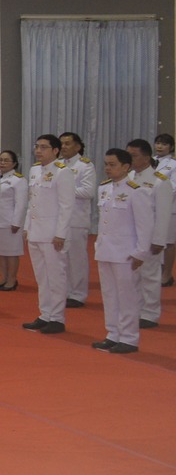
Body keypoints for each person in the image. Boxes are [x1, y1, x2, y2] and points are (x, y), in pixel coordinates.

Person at [93, 147, 153, 354]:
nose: (108, 168)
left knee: (127, 296)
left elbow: (145, 226)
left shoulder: (138, 191)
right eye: (106, 164)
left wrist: (140, 252)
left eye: (113, 165)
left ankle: (128, 338)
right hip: (105, 250)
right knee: (109, 296)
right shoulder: (104, 188)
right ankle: (113, 334)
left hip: (126, 253)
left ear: (126, 167)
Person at [21, 135, 70, 334]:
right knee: (42, 277)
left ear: (56, 150)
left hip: (52, 234)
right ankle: (45, 314)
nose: (39, 151)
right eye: (37, 147)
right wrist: (27, 227)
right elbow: (31, 201)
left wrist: (60, 234)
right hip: (35, 230)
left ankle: (57, 318)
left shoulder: (63, 172)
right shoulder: (34, 170)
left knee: (56, 277)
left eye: (44, 147)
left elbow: (66, 206)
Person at [127, 139, 167, 330]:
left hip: (151, 237)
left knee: (149, 276)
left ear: (147, 156)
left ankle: (150, 313)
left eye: (134, 155)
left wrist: (159, 240)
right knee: (132, 276)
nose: (130, 159)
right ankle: (136, 309)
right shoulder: (129, 177)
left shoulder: (159, 181)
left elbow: (163, 214)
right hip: (131, 236)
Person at [59, 131, 95, 307]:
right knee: (60, 259)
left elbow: (88, 191)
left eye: (67, 144)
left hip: (76, 219)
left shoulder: (84, 166)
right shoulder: (57, 165)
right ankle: (63, 292)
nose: (64, 147)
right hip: (59, 220)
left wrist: (65, 190)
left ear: (78, 146)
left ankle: (78, 294)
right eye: (62, 144)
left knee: (77, 259)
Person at [0, 149, 26, 293]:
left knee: (11, 252)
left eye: (6, 160)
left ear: (14, 164)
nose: (2, 162)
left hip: (11, 222)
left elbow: (21, 203)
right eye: (0, 159)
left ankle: (12, 279)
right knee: (0, 252)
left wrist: (16, 222)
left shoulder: (18, 180)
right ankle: (3, 277)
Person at [157, 134, 176, 291]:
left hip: (170, 207)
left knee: (169, 242)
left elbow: (174, 186)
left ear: (171, 147)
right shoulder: (150, 161)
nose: (160, 146)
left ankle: (167, 275)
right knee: (155, 240)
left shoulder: (173, 164)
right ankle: (157, 271)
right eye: (158, 143)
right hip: (152, 208)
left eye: (164, 144)